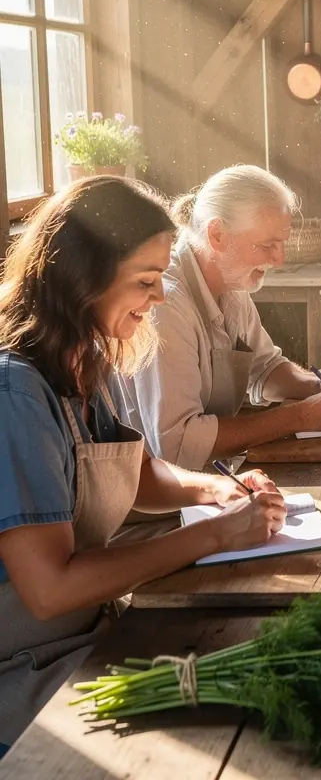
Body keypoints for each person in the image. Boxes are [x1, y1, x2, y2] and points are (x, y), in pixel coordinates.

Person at [0, 177, 287, 754]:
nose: (158, 297)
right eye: (145, 280)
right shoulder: (17, 395)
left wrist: (214, 491)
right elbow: (50, 589)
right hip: (23, 666)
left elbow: (134, 474)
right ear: (82, 277)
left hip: (86, 630)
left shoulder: (83, 358)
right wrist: (213, 536)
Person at [130, 166, 321, 470]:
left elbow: (266, 369)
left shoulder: (231, 282)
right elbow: (177, 444)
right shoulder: (165, 304)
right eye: (267, 246)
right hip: (154, 492)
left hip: (214, 474)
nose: (279, 260)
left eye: (282, 243)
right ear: (217, 234)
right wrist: (299, 416)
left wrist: (320, 387)